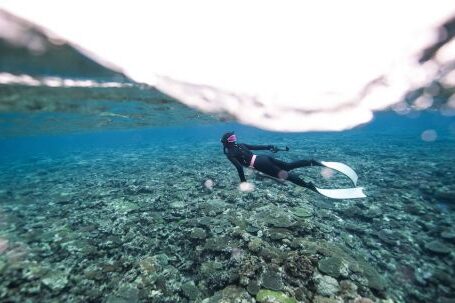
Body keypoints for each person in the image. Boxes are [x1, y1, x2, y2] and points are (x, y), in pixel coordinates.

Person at [220, 131, 320, 191]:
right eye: (233, 138)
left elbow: (239, 168)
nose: (234, 139)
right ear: (229, 141)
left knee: (285, 175)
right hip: (263, 158)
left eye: (234, 137)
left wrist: (243, 182)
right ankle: (310, 162)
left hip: (259, 164)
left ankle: (308, 186)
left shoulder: (230, 154)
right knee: (288, 166)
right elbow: (257, 147)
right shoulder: (240, 145)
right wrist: (269, 147)